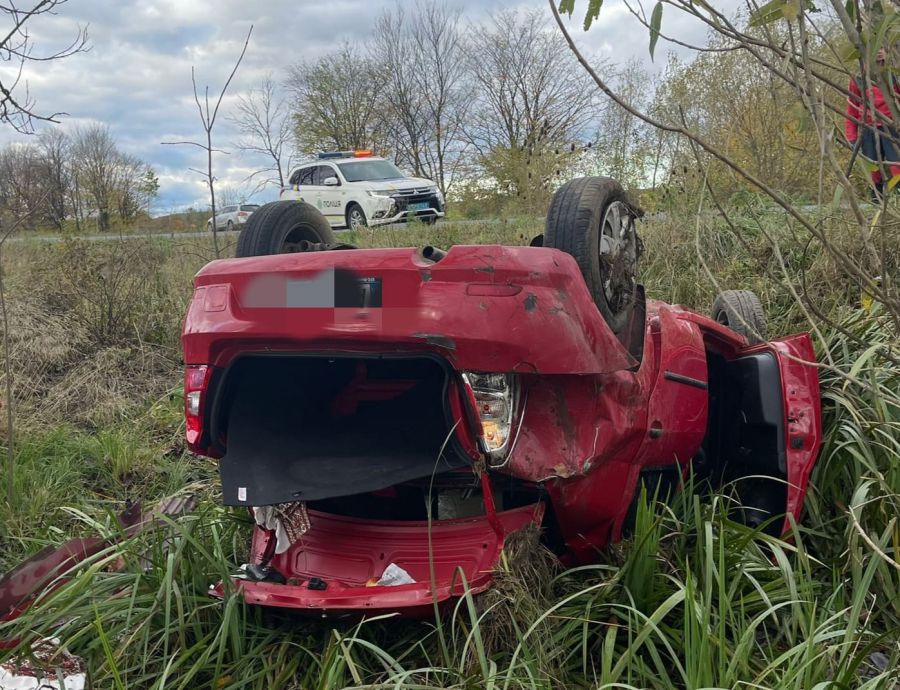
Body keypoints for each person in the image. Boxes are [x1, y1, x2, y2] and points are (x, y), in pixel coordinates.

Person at [845, 48, 900, 199]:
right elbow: (852, 109)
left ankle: (897, 197)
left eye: (881, 48)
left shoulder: (894, 74)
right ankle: (877, 200)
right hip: (868, 127)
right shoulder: (858, 79)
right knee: (873, 167)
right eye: (875, 48)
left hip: (892, 126)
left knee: (897, 164)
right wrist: (851, 136)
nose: (878, 52)